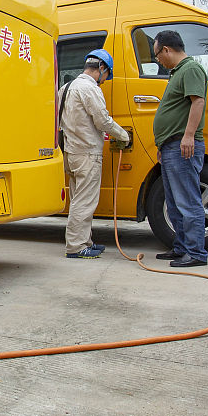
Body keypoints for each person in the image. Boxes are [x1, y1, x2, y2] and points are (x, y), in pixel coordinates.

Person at [58, 48, 131, 259]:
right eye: (107, 75)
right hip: (87, 153)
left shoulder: (66, 87)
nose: (105, 80)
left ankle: (85, 241)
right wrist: (123, 135)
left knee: (78, 198)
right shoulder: (89, 89)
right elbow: (102, 120)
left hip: (70, 153)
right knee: (85, 201)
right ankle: (76, 246)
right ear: (101, 68)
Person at [151, 30, 208, 268]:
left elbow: (198, 101)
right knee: (174, 202)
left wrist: (188, 136)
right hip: (171, 146)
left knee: (187, 201)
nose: (158, 61)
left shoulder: (190, 69)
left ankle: (196, 253)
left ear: (166, 49)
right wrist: (163, 144)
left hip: (182, 146)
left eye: (157, 55)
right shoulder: (177, 73)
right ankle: (181, 248)